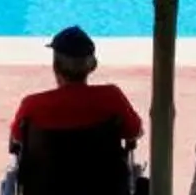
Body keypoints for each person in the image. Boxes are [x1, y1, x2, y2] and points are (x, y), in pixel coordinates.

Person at [8, 25, 143, 152]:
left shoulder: (32, 105)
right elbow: (135, 132)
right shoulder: (112, 97)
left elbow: (17, 138)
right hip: (103, 176)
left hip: (46, 176)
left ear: (55, 66)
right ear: (91, 67)